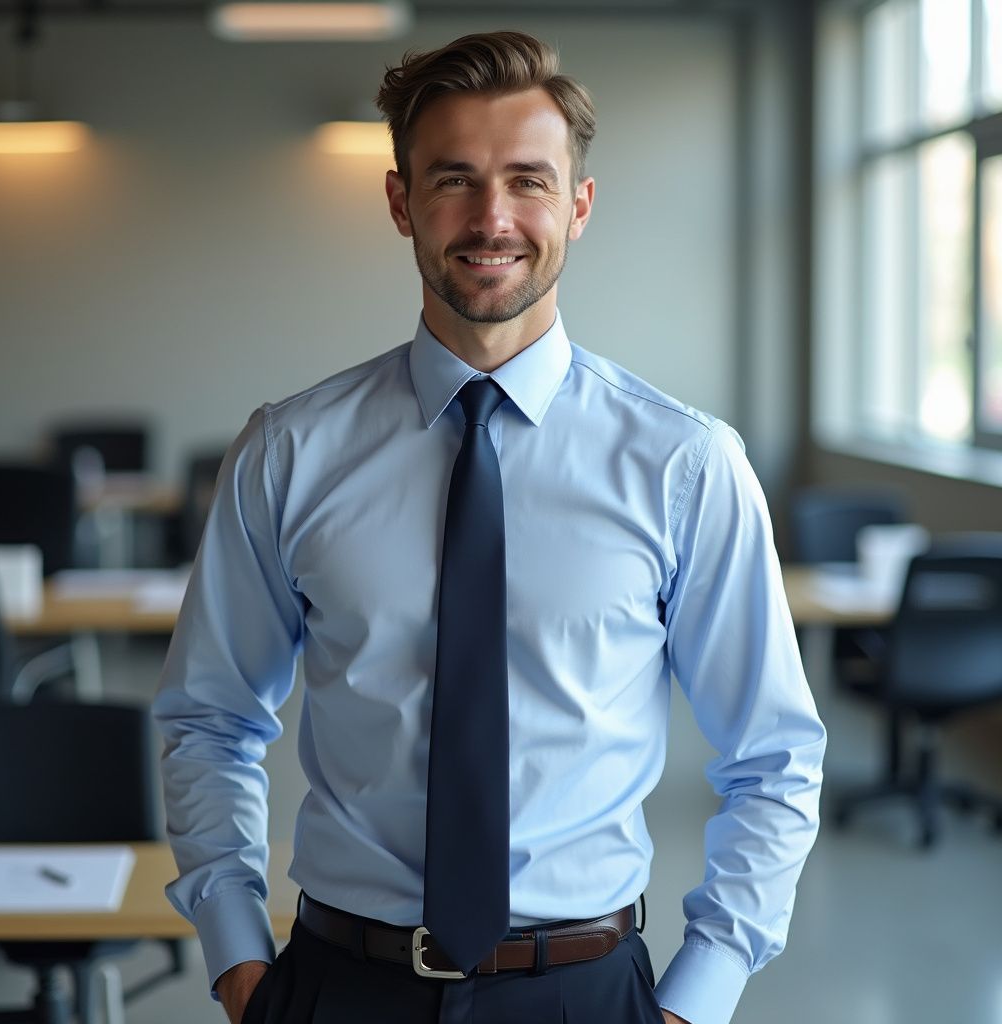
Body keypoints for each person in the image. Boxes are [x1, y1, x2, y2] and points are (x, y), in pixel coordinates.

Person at [154, 29, 826, 1024]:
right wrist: (238, 960)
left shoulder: (686, 465)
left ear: (578, 205)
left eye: (528, 179)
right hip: (337, 985)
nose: (492, 216)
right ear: (400, 202)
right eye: (454, 179)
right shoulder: (288, 451)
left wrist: (698, 995)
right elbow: (209, 717)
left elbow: (772, 756)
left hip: (585, 990)